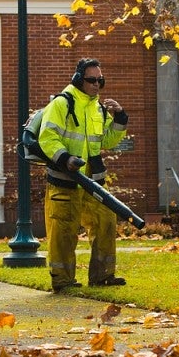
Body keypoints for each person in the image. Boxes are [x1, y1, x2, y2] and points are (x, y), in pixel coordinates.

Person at [38, 58, 129, 292]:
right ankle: (62, 280)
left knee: (106, 223)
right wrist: (65, 159)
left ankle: (103, 276)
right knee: (64, 232)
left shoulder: (98, 108)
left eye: (100, 80)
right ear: (78, 79)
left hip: (93, 181)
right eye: (91, 80)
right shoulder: (61, 104)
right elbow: (47, 138)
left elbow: (106, 141)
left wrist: (119, 118)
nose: (96, 84)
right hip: (64, 180)